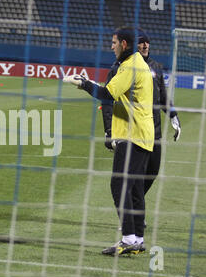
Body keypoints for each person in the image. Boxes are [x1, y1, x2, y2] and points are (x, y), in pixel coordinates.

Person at [64, 26, 154, 256]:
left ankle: (128, 239)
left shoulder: (131, 65)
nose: (111, 46)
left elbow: (107, 95)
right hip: (142, 134)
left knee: (119, 184)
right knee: (133, 189)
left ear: (124, 44)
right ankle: (138, 241)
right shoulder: (135, 63)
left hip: (133, 135)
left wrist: (83, 83)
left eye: (114, 42)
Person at [101, 28, 182, 198]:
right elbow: (107, 100)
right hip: (132, 132)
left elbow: (163, 96)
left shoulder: (155, 67)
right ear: (132, 45)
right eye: (141, 42)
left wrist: (173, 115)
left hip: (154, 131)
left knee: (152, 172)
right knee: (133, 175)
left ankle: (134, 203)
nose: (145, 45)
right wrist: (109, 131)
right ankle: (132, 212)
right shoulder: (119, 68)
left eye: (147, 42)